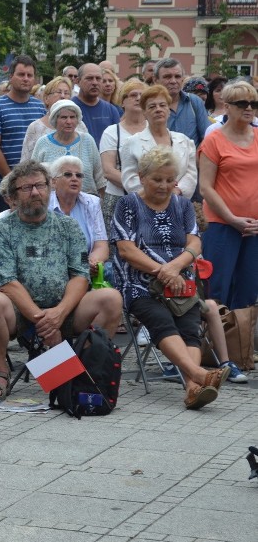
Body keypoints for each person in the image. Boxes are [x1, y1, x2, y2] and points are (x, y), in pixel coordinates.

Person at [0, 161, 122, 401]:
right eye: (27, 188)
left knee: (111, 298)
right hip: (19, 312)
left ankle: (88, 366)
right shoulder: (2, 230)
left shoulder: (68, 226)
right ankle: (1, 372)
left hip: (65, 307)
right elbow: (7, 282)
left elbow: (80, 274)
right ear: (13, 196)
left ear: (49, 188)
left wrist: (59, 313)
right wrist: (43, 321)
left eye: (40, 185)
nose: (35, 192)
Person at [111, 147, 229, 409]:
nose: (164, 185)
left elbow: (195, 242)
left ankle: (192, 389)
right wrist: (163, 271)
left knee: (190, 328)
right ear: (142, 177)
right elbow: (126, 249)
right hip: (139, 285)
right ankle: (199, 375)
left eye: (169, 180)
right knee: (162, 320)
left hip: (180, 282)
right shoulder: (128, 204)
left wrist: (174, 269)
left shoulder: (183, 205)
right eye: (157, 179)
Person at [197, 81, 258, 310]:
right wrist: (233, 219)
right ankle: (212, 344)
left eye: (254, 103)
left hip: (254, 227)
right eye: (242, 103)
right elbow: (206, 188)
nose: (249, 108)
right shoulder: (214, 140)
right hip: (222, 224)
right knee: (217, 290)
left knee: (248, 292)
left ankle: (240, 345)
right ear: (227, 106)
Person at [0, 55, 47, 249]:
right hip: (5, 184)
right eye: (21, 74)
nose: (26, 78)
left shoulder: (39, 107)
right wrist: (12, 180)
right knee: (8, 239)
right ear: (11, 76)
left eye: (30, 75)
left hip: (34, 184)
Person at [120, 85, 197, 199]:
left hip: (178, 203)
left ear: (168, 110)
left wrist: (176, 191)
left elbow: (191, 174)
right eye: (152, 106)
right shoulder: (131, 143)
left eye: (162, 105)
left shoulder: (185, 141)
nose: (158, 109)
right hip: (145, 204)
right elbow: (129, 178)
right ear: (144, 112)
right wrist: (155, 195)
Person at [99, 80, 148, 237]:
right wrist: (142, 188)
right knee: (116, 248)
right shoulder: (112, 132)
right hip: (118, 199)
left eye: (142, 95)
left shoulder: (156, 129)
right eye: (133, 95)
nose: (138, 98)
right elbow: (108, 171)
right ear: (123, 101)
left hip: (151, 200)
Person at [47, 155, 109, 273]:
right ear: (54, 181)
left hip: (86, 272)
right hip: (52, 270)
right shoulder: (44, 205)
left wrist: (91, 262)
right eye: (68, 174)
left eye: (79, 175)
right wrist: (80, 263)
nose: (74, 178)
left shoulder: (92, 203)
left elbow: (101, 245)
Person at [31, 100, 105, 196]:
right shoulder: (43, 143)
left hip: (86, 200)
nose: (69, 121)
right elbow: (33, 175)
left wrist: (103, 203)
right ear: (55, 120)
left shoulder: (87, 140)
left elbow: (99, 176)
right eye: (64, 117)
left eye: (72, 117)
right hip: (52, 203)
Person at [20, 76, 85, 162]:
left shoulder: (79, 124)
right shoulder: (35, 127)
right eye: (58, 92)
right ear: (46, 99)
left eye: (66, 93)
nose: (62, 96)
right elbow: (26, 162)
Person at [153, 58, 210, 145]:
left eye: (177, 76)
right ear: (155, 80)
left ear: (182, 79)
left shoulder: (194, 102)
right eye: (167, 77)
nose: (173, 81)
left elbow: (206, 137)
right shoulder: (149, 105)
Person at [70, 63, 121, 146]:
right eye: (89, 78)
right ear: (78, 81)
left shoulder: (111, 110)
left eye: (98, 78)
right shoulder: (69, 108)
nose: (95, 82)